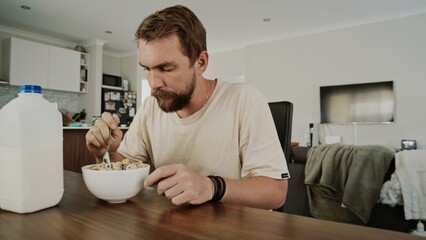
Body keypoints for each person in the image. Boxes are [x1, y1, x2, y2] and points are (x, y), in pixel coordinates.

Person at [85, 5, 289, 210]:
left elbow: (276, 192)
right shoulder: (150, 108)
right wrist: (109, 152)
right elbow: (125, 167)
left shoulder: (245, 99)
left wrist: (211, 186)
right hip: (172, 226)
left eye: (165, 68)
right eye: (147, 69)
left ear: (200, 62)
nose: (153, 83)